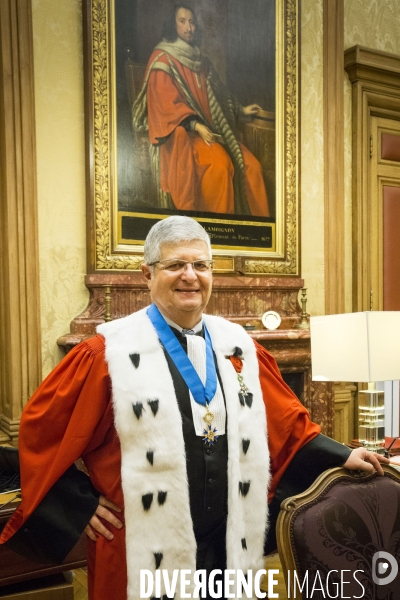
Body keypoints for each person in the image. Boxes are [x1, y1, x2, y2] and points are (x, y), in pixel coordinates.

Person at [0, 216, 387, 600]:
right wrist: (78, 504)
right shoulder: (109, 354)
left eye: (200, 265)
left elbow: (287, 423)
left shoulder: (239, 348)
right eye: (175, 265)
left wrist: (343, 454)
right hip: (142, 540)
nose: (190, 275)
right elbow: (42, 430)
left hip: (225, 539)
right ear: (146, 274)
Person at [132, 4, 270, 217]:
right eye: (182, 21)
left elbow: (220, 96)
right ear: (173, 24)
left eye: (192, 22)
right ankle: (217, 231)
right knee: (221, 166)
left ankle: (256, 232)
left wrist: (241, 109)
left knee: (252, 167)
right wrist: (196, 125)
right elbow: (165, 106)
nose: (189, 27)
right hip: (182, 137)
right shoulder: (163, 59)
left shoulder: (201, 61)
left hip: (212, 132)